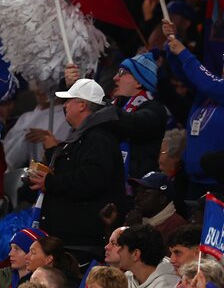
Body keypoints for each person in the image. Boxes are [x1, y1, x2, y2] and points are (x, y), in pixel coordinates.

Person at [28, 79, 125, 262]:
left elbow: (91, 179)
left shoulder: (98, 138)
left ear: (81, 105)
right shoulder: (85, 136)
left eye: (69, 100)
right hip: (71, 239)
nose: (64, 105)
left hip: (81, 243)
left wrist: (50, 182)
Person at [163, 20, 224, 198]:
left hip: (218, 185)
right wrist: (172, 43)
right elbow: (186, 74)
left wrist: (184, 53)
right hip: (193, 182)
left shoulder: (213, 89)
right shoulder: (207, 92)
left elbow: (206, 82)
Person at [112, 52, 167, 180]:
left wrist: (103, 109)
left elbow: (132, 123)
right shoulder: (116, 105)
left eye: (121, 73)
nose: (115, 77)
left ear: (138, 81)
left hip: (136, 190)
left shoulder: (155, 109)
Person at [124, 173, 187, 242]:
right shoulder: (137, 219)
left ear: (162, 199)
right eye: (138, 192)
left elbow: (151, 251)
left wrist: (136, 229)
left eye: (145, 194)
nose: (137, 198)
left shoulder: (176, 227)